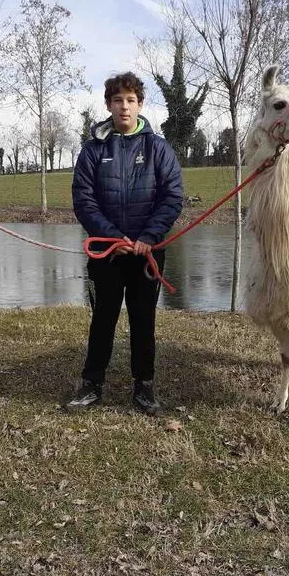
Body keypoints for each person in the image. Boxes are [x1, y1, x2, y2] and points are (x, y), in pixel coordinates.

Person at [67, 71, 183, 415]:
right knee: (103, 318)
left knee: (143, 320)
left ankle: (144, 387)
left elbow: (172, 197)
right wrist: (113, 238)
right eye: (117, 100)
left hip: (147, 254)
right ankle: (91, 384)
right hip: (106, 252)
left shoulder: (158, 149)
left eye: (131, 100)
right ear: (108, 105)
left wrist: (149, 237)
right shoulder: (92, 150)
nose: (124, 107)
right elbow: (83, 199)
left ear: (140, 105)